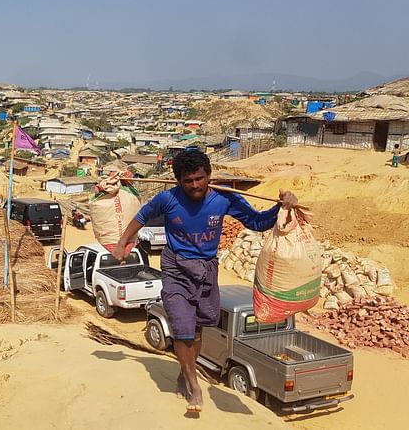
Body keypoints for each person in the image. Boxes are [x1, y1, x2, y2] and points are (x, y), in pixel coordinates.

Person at [112, 150, 298, 413]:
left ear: (208, 176)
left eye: (200, 178)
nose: (195, 185)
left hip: (207, 270)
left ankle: (184, 371)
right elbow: (141, 217)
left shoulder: (224, 199)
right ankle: (194, 384)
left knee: (198, 330)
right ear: (179, 181)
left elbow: (257, 222)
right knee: (182, 329)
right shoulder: (167, 199)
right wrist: (123, 243)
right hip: (175, 267)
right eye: (188, 181)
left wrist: (282, 206)